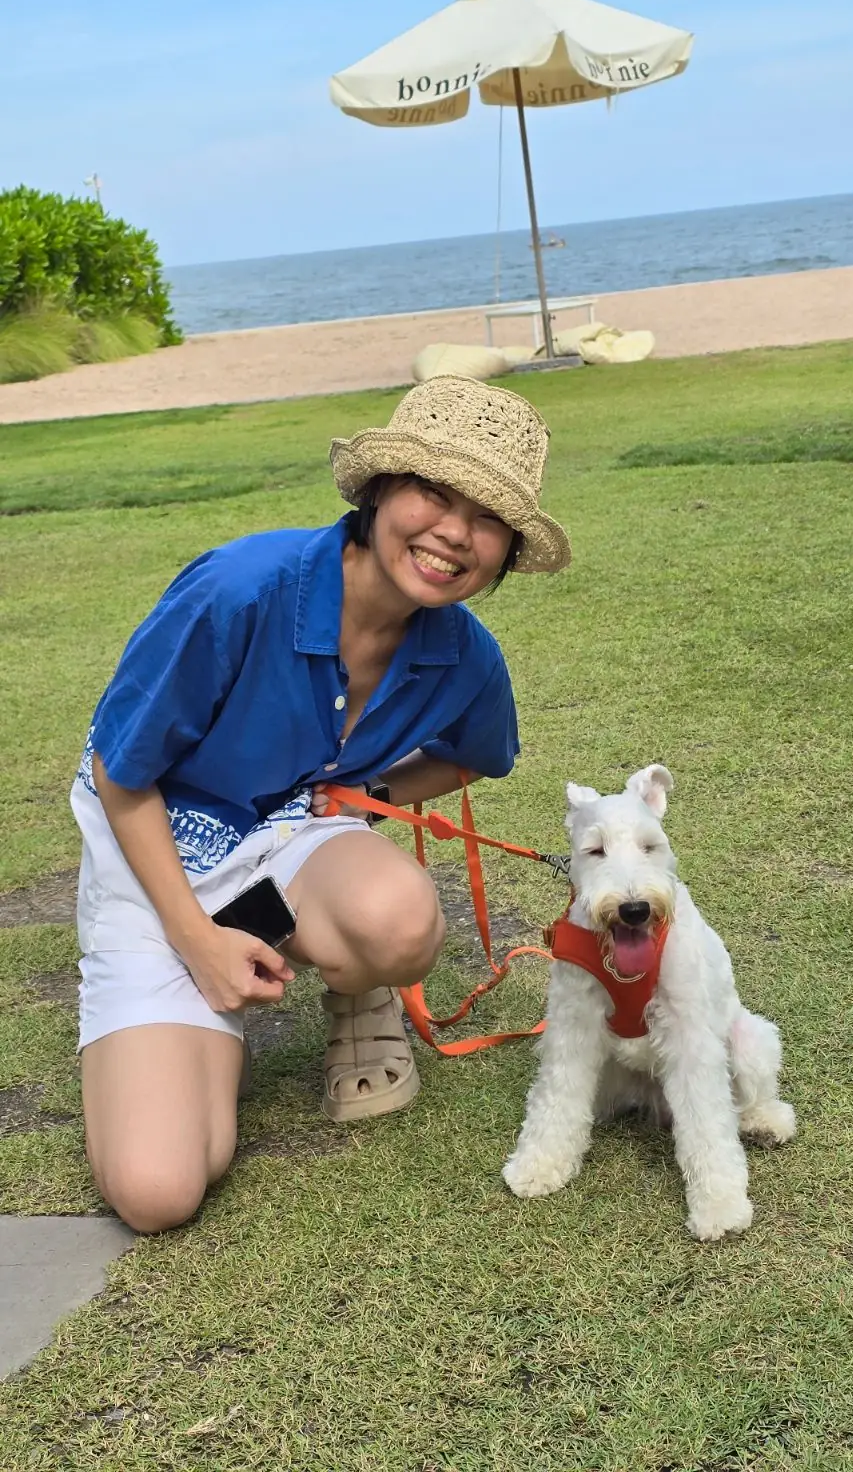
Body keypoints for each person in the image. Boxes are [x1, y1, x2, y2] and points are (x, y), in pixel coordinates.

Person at [71, 375, 571, 1233]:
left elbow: (477, 760)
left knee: (401, 920)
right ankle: (200, 1010)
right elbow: (122, 775)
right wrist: (197, 941)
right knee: (160, 1192)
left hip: (280, 847)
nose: (453, 532)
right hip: (151, 847)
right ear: (380, 493)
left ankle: (352, 987)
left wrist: (362, 799)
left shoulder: (466, 656)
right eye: (432, 492)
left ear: (507, 553)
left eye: (488, 517)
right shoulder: (239, 589)